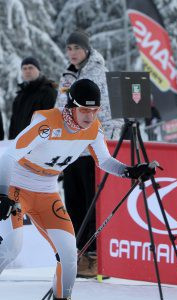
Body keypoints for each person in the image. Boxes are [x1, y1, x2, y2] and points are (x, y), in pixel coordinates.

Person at [0, 79, 157, 300]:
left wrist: (130, 172)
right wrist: (3, 194)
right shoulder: (47, 123)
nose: (89, 116)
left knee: (69, 252)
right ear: (71, 106)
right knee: (11, 247)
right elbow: (8, 156)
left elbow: (104, 161)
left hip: (47, 190)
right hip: (16, 184)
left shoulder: (93, 128)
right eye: (84, 110)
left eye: (94, 111)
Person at [56, 30, 123, 278]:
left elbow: (109, 110)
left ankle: (95, 255)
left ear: (86, 49)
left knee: (92, 203)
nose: (72, 53)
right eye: (69, 48)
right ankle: (80, 253)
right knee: (73, 202)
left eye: (76, 48)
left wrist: (106, 139)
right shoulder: (66, 75)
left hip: (93, 148)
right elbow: (58, 109)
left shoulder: (98, 72)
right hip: (71, 149)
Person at [8, 57, 57, 139]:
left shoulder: (48, 92)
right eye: (24, 68)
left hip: (40, 142)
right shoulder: (19, 96)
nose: (27, 71)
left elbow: (53, 120)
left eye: (31, 67)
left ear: (38, 70)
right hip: (20, 144)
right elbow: (13, 123)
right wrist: (12, 141)